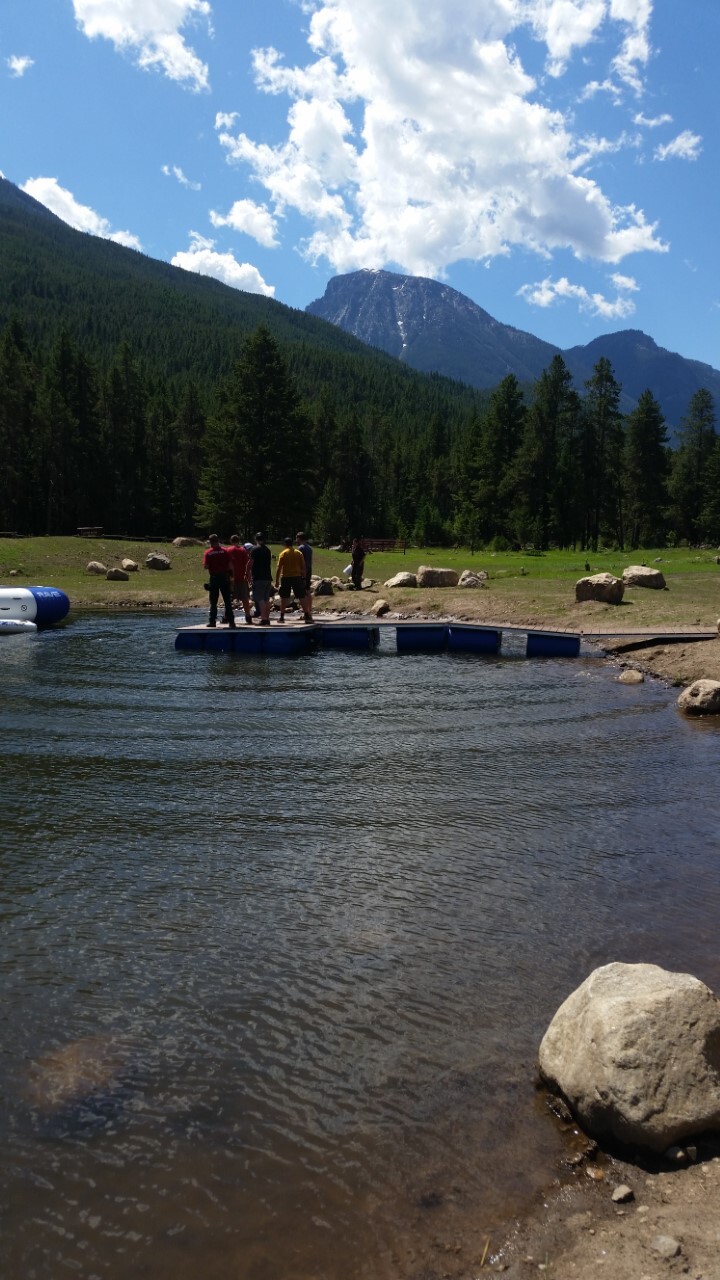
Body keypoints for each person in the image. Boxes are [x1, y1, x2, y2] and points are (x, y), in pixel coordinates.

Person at [275, 536, 313, 623]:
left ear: (285, 544)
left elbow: (279, 568)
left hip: (286, 577)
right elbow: (303, 567)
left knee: (284, 597)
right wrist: (303, 576)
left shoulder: (283, 553)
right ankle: (307, 614)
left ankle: (281, 616)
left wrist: (277, 581)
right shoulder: (298, 553)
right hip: (297, 577)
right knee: (301, 596)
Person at [203, 534, 235, 628]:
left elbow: (206, 566)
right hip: (224, 577)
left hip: (214, 578)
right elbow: (230, 565)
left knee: (213, 601)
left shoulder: (208, 553)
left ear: (210, 542)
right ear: (218, 541)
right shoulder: (225, 551)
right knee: (227, 601)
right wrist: (232, 577)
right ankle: (231, 622)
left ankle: (212, 621)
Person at [224, 534, 253, 624]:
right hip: (242, 578)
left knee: (229, 599)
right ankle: (248, 616)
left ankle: (226, 617)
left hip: (231, 579)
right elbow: (247, 565)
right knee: (245, 599)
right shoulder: (243, 551)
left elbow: (226, 564)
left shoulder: (227, 550)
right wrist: (249, 577)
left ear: (231, 541)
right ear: (239, 541)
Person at [249, 532, 273, 626]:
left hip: (259, 578)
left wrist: (248, 574)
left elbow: (250, 563)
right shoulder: (267, 550)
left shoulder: (254, 549)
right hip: (268, 577)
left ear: (256, 539)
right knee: (266, 599)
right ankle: (267, 618)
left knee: (260, 599)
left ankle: (263, 619)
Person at [296, 531, 314, 620]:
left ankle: (306, 613)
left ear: (299, 538)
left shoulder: (300, 548)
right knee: (307, 591)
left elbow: (299, 561)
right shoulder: (309, 548)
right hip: (309, 570)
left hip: (302, 571)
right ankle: (309, 611)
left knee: (303, 593)